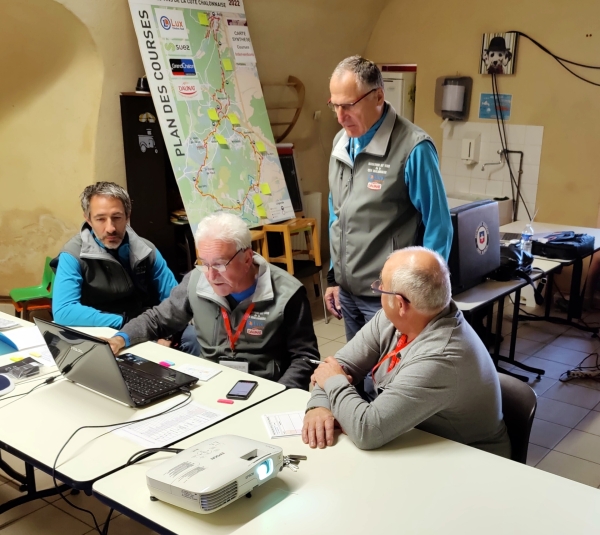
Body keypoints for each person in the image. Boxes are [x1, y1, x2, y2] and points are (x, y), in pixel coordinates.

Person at [303, 247, 511, 458]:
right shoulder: (398, 318)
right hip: (420, 441)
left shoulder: (442, 356)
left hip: (470, 462)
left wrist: (334, 382)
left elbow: (367, 430)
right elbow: (336, 366)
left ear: (401, 304)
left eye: (381, 286)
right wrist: (319, 407)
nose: (378, 289)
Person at [107, 212, 319, 390]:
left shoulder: (288, 293)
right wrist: (120, 338)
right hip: (211, 385)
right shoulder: (196, 280)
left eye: (219, 264)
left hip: (266, 387)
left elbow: (304, 357)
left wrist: (280, 394)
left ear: (247, 258)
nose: (210, 275)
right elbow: (157, 320)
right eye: (204, 263)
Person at [325, 56, 453, 342]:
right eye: (335, 105)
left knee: (387, 381)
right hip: (348, 293)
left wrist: (422, 294)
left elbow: (439, 225)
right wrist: (334, 278)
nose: (340, 116)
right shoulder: (340, 143)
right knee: (357, 374)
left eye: (348, 105)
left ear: (378, 96)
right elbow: (337, 214)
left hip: (392, 297)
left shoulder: (413, 148)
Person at [52, 181, 198, 354]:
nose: (111, 228)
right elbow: (63, 311)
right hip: (98, 329)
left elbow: (176, 302)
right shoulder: (72, 254)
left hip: (146, 326)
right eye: (100, 219)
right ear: (88, 219)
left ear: (128, 216)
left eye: (117, 217)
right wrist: (123, 322)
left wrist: (167, 335)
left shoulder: (146, 250)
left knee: (194, 339)